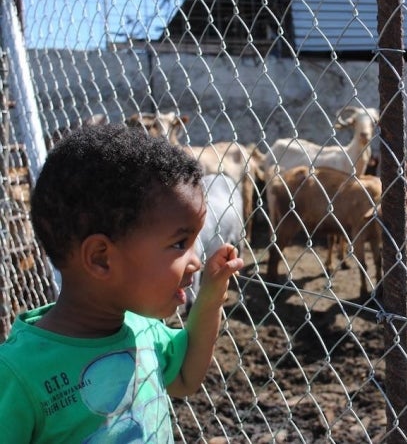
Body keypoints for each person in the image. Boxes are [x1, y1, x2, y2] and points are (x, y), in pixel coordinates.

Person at [0, 123, 243, 442]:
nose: (196, 260)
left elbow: (186, 376)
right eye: (180, 243)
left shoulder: (142, 328)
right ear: (101, 258)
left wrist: (211, 297)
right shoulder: (18, 374)